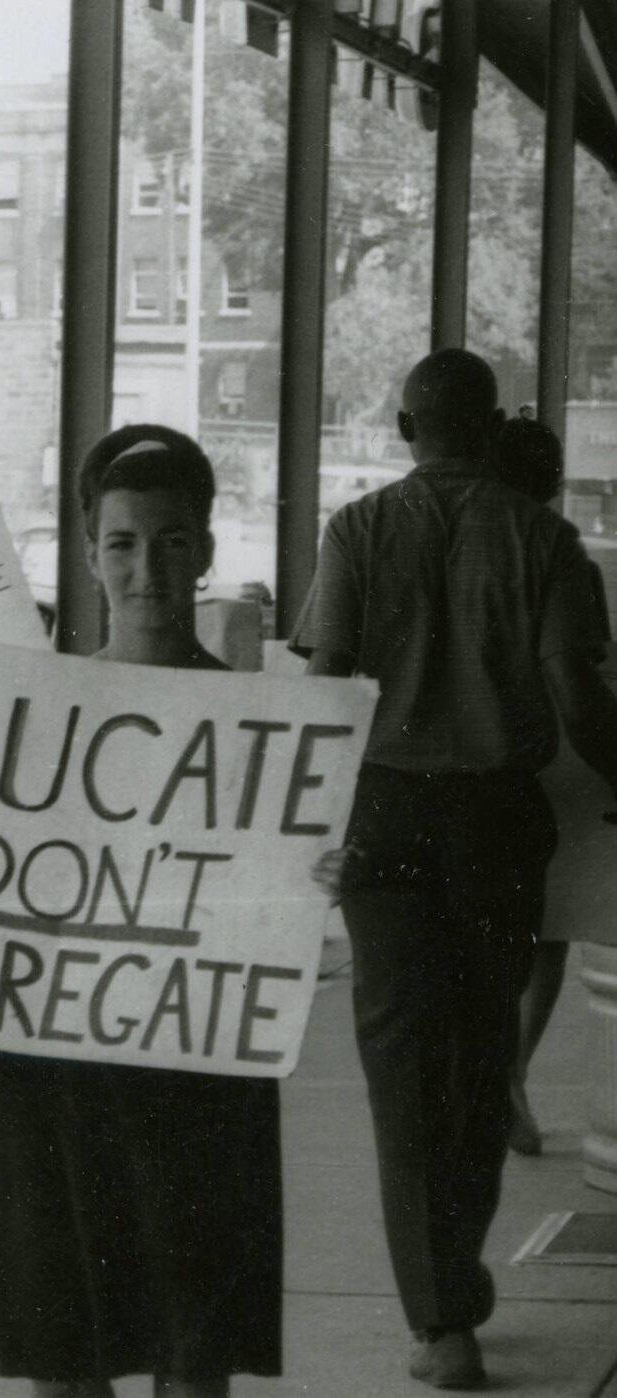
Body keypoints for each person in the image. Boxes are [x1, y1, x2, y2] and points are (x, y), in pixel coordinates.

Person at [291, 350, 617, 1390]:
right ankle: (453, 1271)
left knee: (398, 1070)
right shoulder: (546, 539)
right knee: (480, 1059)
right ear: (490, 427)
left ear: (400, 427)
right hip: (493, 827)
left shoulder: (353, 530)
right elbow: (576, 696)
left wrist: (306, 829)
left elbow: (325, 690)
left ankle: (437, 1319)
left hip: (382, 821)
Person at [0, 425, 283, 1398]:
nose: (144, 567)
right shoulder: (36, 711)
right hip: (60, 1072)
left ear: (203, 550)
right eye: (120, 544)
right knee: (64, 1349)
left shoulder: (261, 730)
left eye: (167, 542)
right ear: (88, 558)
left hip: (197, 1076)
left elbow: (269, 900)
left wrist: (314, 870)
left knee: (192, 1351)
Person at [487, 414, 610, 1156]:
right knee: (548, 934)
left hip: (474, 761)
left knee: (497, 937)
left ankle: (493, 1076)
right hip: (554, 766)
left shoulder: (465, 551)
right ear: (553, 485)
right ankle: (508, 1076)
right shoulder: (565, 559)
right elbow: (582, 683)